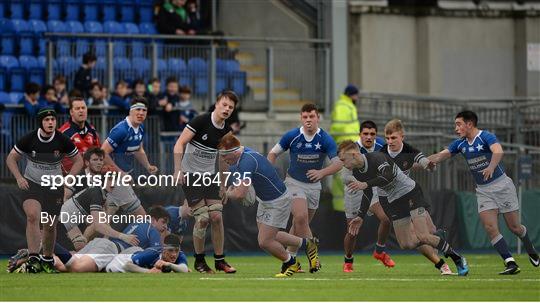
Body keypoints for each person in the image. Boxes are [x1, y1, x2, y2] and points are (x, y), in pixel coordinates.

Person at [428, 110, 539, 274]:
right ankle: (510, 262)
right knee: (489, 227)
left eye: (458, 124)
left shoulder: (485, 136)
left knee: (514, 227)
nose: (456, 128)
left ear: (469, 124)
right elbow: (440, 156)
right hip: (483, 191)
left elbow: (498, 151)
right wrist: (419, 161)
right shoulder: (460, 144)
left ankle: (530, 248)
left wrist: (491, 167)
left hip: (502, 186)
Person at [338, 141, 469, 276]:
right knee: (406, 244)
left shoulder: (376, 157)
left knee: (423, 236)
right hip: (394, 201)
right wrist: (360, 216)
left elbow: (388, 175)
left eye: (343, 159)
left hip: (410, 193)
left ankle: (457, 258)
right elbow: (368, 193)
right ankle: (437, 238)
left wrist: (365, 184)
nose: (342, 163)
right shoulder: (357, 172)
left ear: (354, 154)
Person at [219, 133, 320, 277]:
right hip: (266, 200)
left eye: (224, 156)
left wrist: (227, 194)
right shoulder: (239, 157)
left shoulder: (246, 162)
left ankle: (290, 263)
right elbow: (238, 183)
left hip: (277, 201)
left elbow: (241, 194)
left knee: (265, 241)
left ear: (234, 151)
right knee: (272, 236)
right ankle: (308, 244)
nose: (223, 159)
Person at [5, 108, 83, 273]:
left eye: (53, 120)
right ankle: (33, 259)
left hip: (54, 185)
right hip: (32, 183)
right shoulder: (30, 138)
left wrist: (69, 178)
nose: (50, 123)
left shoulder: (62, 140)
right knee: (33, 216)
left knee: (49, 225)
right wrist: (19, 177)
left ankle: (47, 260)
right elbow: (11, 158)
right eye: (47, 120)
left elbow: (79, 161)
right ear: (41, 122)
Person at [267, 103, 341, 272]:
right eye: (305, 117)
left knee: (299, 225)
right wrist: (269, 173)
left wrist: (322, 173)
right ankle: (313, 253)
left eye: (312, 117)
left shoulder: (325, 139)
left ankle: (291, 260)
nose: (308, 120)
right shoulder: (292, 136)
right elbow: (272, 154)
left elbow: (338, 164)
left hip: (314, 187)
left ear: (318, 118)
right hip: (293, 183)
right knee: (300, 217)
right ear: (301, 118)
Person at [173, 90, 238, 273]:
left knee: (217, 217)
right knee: (202, 219)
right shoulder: (200, 121)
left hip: (209, 177)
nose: (226, 109)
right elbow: (179, 144)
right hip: (191, 175)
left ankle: (220, 261)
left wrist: (224, 185)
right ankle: (199, 261)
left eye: (230, 107)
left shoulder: (227, 132)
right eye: (224, 105)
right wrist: (178, 170)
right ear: (217, 104)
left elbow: (223, 159)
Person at [381, 119, 453, 275]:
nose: (390, 141)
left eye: (394, 138)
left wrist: (432, 163)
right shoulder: (380, 154)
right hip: (392, 200)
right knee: (414, 238)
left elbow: (421, 161)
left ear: (402, 137)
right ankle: (441, 261)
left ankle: (442, 257)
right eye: (387, 138)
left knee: (430, 231)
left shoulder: (409, 150)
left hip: (410, 194)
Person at [341, 120, 395, 272]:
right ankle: (348, 260)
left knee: (385, 219)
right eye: (365, 134)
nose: (369, 137)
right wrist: (359, 182)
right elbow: (345, 175)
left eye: (372, 134)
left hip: (373, 190)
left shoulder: (382, 148)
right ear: (360, 135)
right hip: (354, 192)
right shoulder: (352, 149)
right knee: (352, 231)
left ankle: (379, 251)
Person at [64, 206, 170, 273]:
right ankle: (52, 253)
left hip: (102, 244)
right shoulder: (152, 229)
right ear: (153, 219)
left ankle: (51, 256)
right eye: (163, 222)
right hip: (109, 249)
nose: (165, 226)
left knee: (67, 263)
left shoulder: (138, 222)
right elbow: (158, 251)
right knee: (77, 268)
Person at [100, 97, 155, 218]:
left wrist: (147, 166)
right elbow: (103, 152)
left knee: (104, 218)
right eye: (137, 109)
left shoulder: (140, 128)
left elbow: (138, 149)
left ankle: (90, 237)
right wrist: (121, 173)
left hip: (121, 178)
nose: (141, 113)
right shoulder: (121, 130)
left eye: (144, 110)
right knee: (142, 216)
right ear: (130, 111)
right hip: (114, 178)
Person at [329, 85, 361, 212]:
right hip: (345, 144)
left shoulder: (347, 105)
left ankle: (343, 206)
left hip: (348, 144)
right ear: (351, 94)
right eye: (356, 95)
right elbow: (339, 126)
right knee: (343, 174)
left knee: (344, 174)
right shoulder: (344, 105)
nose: (357, 97)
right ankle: (344, 207)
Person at [58, 96, 100, 174]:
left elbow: (99, 156)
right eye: (77, 109)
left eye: (83, 108)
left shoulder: (93, 131)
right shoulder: (63, 133)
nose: (81, 111)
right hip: (70, 179)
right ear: (71, 112)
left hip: (90, 179)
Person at [106, 234, 189, 273]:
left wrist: (170, 265)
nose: (174, 254)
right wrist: (148, 272)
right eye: (171, 250)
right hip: (122, 261)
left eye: (176, 250)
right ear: (163, 249)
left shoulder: (180, 254)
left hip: (139, 253)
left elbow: (184, 269)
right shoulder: (153, 253)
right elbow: (127, 265)